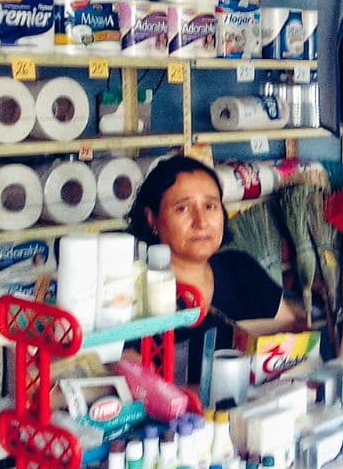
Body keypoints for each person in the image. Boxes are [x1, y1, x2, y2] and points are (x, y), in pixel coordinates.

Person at [128, 154, 302, 379]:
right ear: (152, 218)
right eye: (182, 208)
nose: (201, 222)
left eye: (210, 206)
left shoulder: (240, 270)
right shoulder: (137, 290)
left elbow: (292, 330)